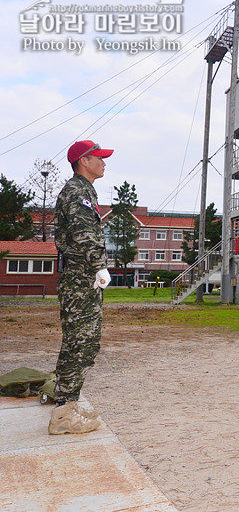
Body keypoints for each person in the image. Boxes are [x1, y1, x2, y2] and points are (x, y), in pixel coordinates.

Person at [49, 140, 113, 435]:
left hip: (80, 278)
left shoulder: (83, 190)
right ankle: (63, 415)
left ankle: (67, 405)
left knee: (78, 344)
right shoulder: (78, 192)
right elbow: (83, 232)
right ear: (83, 161)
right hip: (80, 278)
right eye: (99, 158)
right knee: (81, 344)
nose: (104, 162)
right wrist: (99, 265)